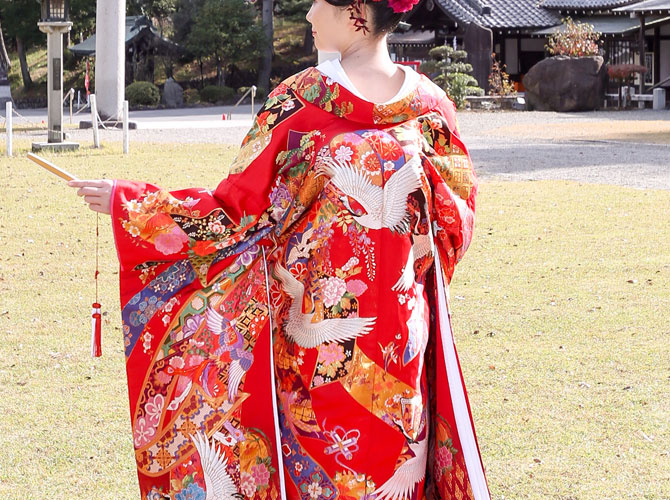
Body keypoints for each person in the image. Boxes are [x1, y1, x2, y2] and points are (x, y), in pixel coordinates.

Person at [69, 0, 489, 498]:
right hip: (359, 342)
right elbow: (451, 226)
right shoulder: (390, 107)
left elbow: (237, 213)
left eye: (317, 3)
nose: (309, 14)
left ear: (355, 12)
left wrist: (140, 209)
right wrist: (134, 203)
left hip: (364, 345)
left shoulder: (325, 103)